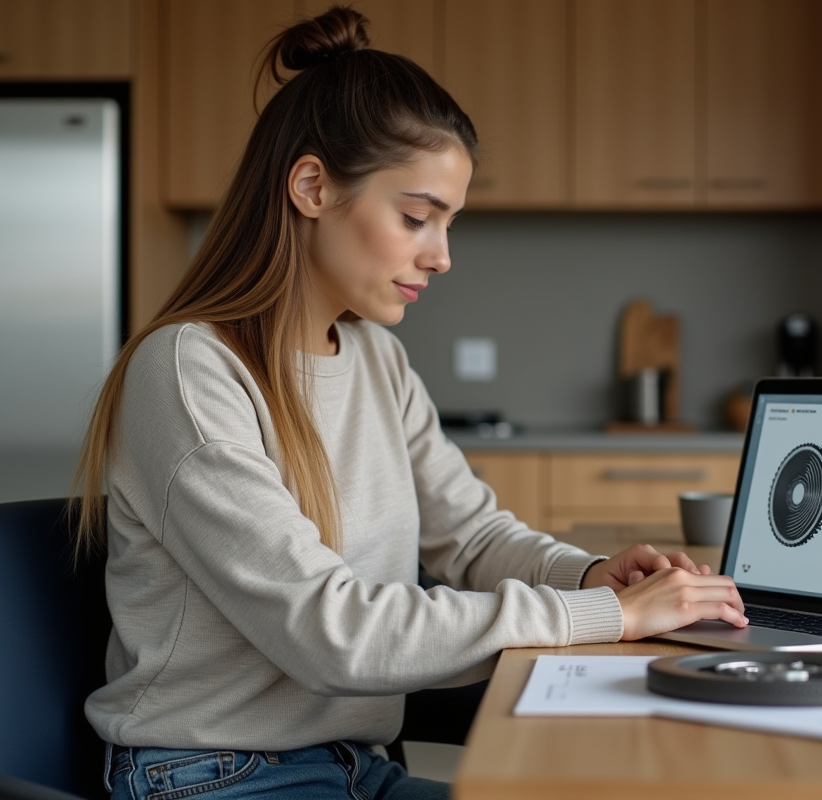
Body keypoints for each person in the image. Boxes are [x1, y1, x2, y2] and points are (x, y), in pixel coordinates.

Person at [71, 6, 746, 799]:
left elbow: (470, 536)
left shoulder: (375, 359)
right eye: (417, 217)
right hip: (212, 778)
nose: (442, 254)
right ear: (313, 187)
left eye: (448, 223)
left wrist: (593, 576)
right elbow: (334, 633)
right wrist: (610, 619)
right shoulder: (189, 371)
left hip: (357, 769)